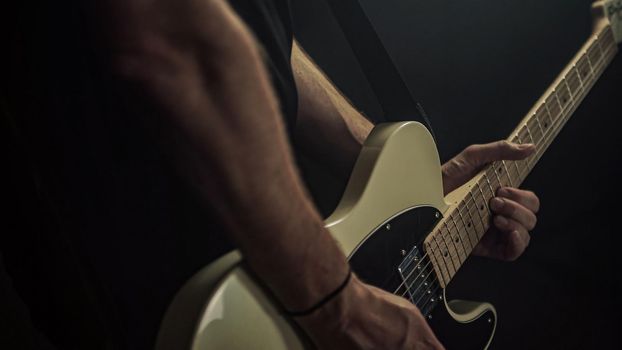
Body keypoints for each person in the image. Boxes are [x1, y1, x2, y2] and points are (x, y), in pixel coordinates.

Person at [2, 0, 539, 348]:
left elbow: (249, 29)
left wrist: (402, 187)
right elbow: (178, 44)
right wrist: (340, 308)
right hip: (171, 298)